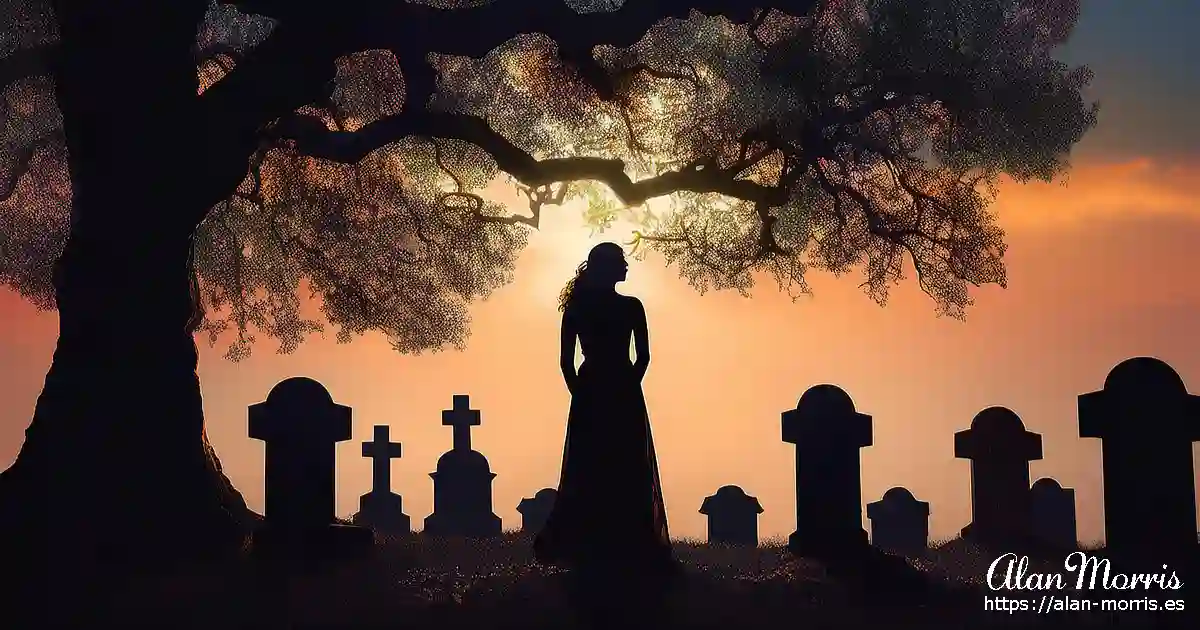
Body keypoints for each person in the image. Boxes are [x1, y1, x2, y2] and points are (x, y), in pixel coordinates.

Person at [533, 242, 677, 578]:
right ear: (608, 268)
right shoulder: (625, 307)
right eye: (621, 263)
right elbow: (641, 358)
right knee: (615, 462)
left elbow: (568, 364)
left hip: (597, 390)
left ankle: (606, 542)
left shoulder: (584, 308)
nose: (626, 267)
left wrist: (582, 393)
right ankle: (616, 542)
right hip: (616, 390)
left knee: (603, 461)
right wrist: (626, 385)